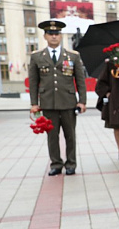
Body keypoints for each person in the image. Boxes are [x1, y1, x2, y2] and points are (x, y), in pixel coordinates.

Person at [28, 19, 87, 176]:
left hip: (68, 103)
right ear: (45, 36)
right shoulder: (37, 57)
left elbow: (80, 81)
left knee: (70, 135)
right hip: (48, 103)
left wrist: (82, 101)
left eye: (56, 34)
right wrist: (34, 103)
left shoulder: (73, 56)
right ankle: (55, 163)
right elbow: (33, 82)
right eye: (50, 34)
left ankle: (71, 164)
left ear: (61, 36)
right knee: (52, 136)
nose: (54, 36)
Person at [95, 44, 119, 160]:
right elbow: (101, 83)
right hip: (115, 99)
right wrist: (108, 94)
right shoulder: (110, 64)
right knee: (117, 125)